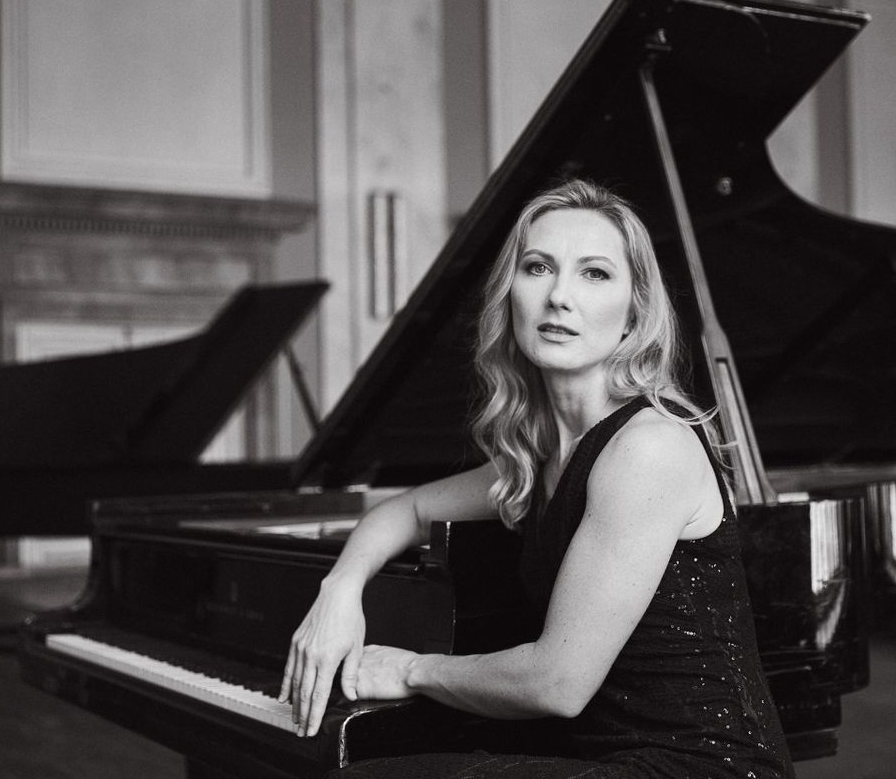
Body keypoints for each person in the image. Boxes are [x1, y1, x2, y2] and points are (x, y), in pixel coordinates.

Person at [279, 178, 794, 779]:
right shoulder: (542, 458)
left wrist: (412, 669)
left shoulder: (648, 448)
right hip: (599, 758)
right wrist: (339, 592)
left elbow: (557, 684)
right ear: (510, 295)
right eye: (538, 267)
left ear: (635, 314)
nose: (559, 296)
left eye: (594, 273)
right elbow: (405, 511)